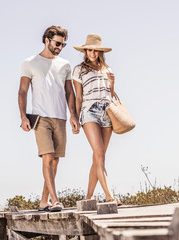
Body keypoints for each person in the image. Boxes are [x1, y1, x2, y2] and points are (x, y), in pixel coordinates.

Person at [18, 26, 80, 212]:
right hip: (40, 118)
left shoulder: (65, 65)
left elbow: (70, 92)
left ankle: (44, 201)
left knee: (55, 161)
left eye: (63, 44)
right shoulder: (30, 62)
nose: (60, 47)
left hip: (60, 117)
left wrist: (73, 115)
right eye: (57, 43)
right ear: (47, 40)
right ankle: (55, 200)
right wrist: (23, 116)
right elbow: (22, 91)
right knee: (47, 157)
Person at [72, 34, 121, 205]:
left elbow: (111, 94)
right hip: (89, 111)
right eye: (89, 50)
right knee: (99, 154)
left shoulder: (108, 69)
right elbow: (78, 97)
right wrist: (75, 118)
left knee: (98, 157)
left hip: (107, 111)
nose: (92, 53)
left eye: (95, 50)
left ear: (100, 51)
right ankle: (110, 196)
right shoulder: (79, 69)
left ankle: (88, 198)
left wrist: (112, 84)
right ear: (85, 51)